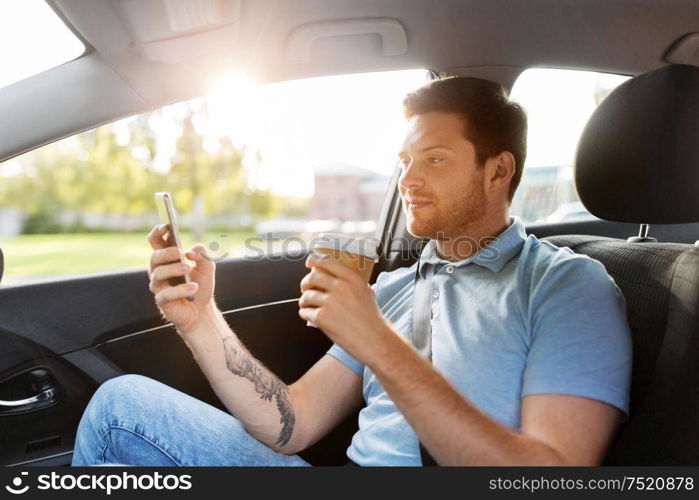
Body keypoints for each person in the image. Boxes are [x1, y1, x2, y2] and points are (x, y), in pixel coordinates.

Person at [71, 77, 632, 466]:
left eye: (434, 159)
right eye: (405, 161)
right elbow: (292, 424)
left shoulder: (565, 284)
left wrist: (379, 343)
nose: (408, 179)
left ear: (498, 170)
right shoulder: (392, 287)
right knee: (124, 408)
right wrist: (200, 320)